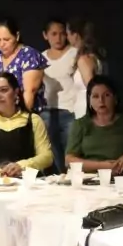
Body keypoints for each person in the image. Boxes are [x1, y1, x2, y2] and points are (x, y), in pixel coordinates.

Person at [0, 72, 53, 179]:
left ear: (16, 92)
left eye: (4, 90)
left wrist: (21, 166)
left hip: (27, 181)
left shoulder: (33, 120)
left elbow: (47, 156)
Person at [65, 75, 123, 176]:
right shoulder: (80, 124)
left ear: (115, 98)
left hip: (121, 179)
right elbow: (69, 160)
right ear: (89, 100)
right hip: (89, 179)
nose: (101, 101)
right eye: (95, 96)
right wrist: (103, 166)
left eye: (106, 95)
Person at [0, 19, 45, 116]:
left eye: (6, 39)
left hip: (25, 115)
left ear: (17, 36)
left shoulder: (29, 55)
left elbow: (29, 91)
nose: (2, 44)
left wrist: (21, 120)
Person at [41, 18, 77, 173]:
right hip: (48, 111)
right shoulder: (41, 58)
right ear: (45, 35)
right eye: (53, 34)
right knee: (53, 155)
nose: (58, 38)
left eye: (62, 34)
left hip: (70, 110)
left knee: (70, 154)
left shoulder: (74, 53)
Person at [66, 19, 104, 119]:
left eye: (68, 34)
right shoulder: (92, 56)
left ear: (75, 35)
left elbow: (91, 88)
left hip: (86, 110)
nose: (67, 37)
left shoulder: (84, 59)